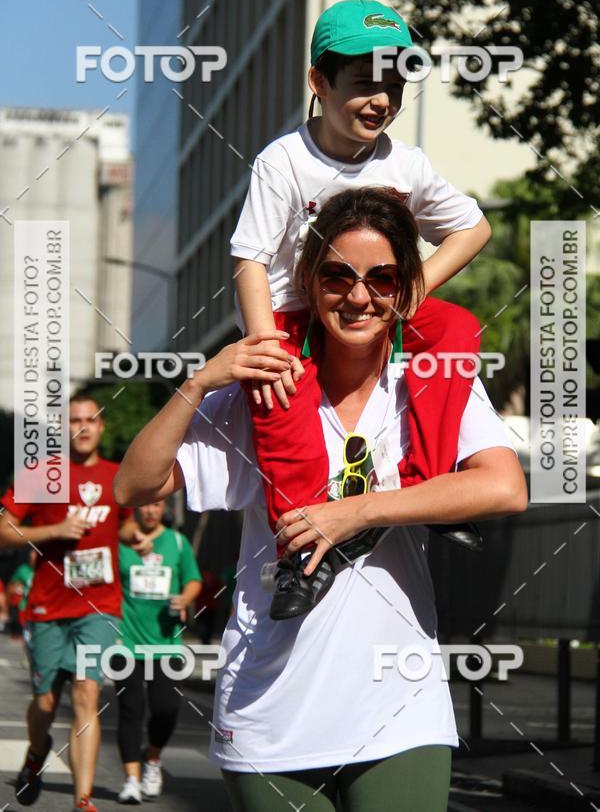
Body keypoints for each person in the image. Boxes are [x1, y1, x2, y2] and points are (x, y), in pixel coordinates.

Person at [114, 187, 527, 812]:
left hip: (400, 708)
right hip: (269, 710)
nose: (358, 297)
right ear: (309, 280)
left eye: (381, 278)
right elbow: (134, 486)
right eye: (337, 275)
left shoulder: (430, 380)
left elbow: (504, 487)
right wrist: (201, 381)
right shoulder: (262, 398)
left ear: (405, 285)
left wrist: (358, 509)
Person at [231, 0, 492, 618]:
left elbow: (472, 229)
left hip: (371, 313)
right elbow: (249, 260)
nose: (382, 98)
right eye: (365, 83)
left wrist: (406, 292)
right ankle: (299, 549)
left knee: (455, 325)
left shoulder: (406, 164)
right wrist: (267, 344)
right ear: (319, 83)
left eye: (395, 82)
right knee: (280, 404)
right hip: (301, 316)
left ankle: (428, 484)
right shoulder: (285, 160)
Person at [0, 394, 150, 812]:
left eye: (90, 420)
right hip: (48, 606)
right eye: (73, 421)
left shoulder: (118, 475)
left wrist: (133, 535)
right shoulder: (40, 474)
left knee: (87, 692)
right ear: (62, 429)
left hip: (100, 606)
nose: (82, 427)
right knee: (46, 702)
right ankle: (36, 751)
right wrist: (55, 531)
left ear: (102, 427)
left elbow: (122, 524)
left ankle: (82, 800)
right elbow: (4, 528)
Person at [115, 499, 201, 804]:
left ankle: (152, 759)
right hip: (126, 642)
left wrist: (184, 599)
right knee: (131, 709)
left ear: (164, 506)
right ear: (137, 508)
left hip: (166, 644)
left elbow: (193, 580)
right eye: (145, 505)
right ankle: (131, 780)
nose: (150, 510)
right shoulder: (124, 541)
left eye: (156, 505)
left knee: (166, 708)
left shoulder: (177, 542)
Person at [7, 549, 36, 641]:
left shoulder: (43, 570)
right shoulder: (23, 569)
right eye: (31, 557)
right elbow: (11, 586)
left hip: (39, 606)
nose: (32, 560)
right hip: (23, 605)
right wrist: (18, 589)